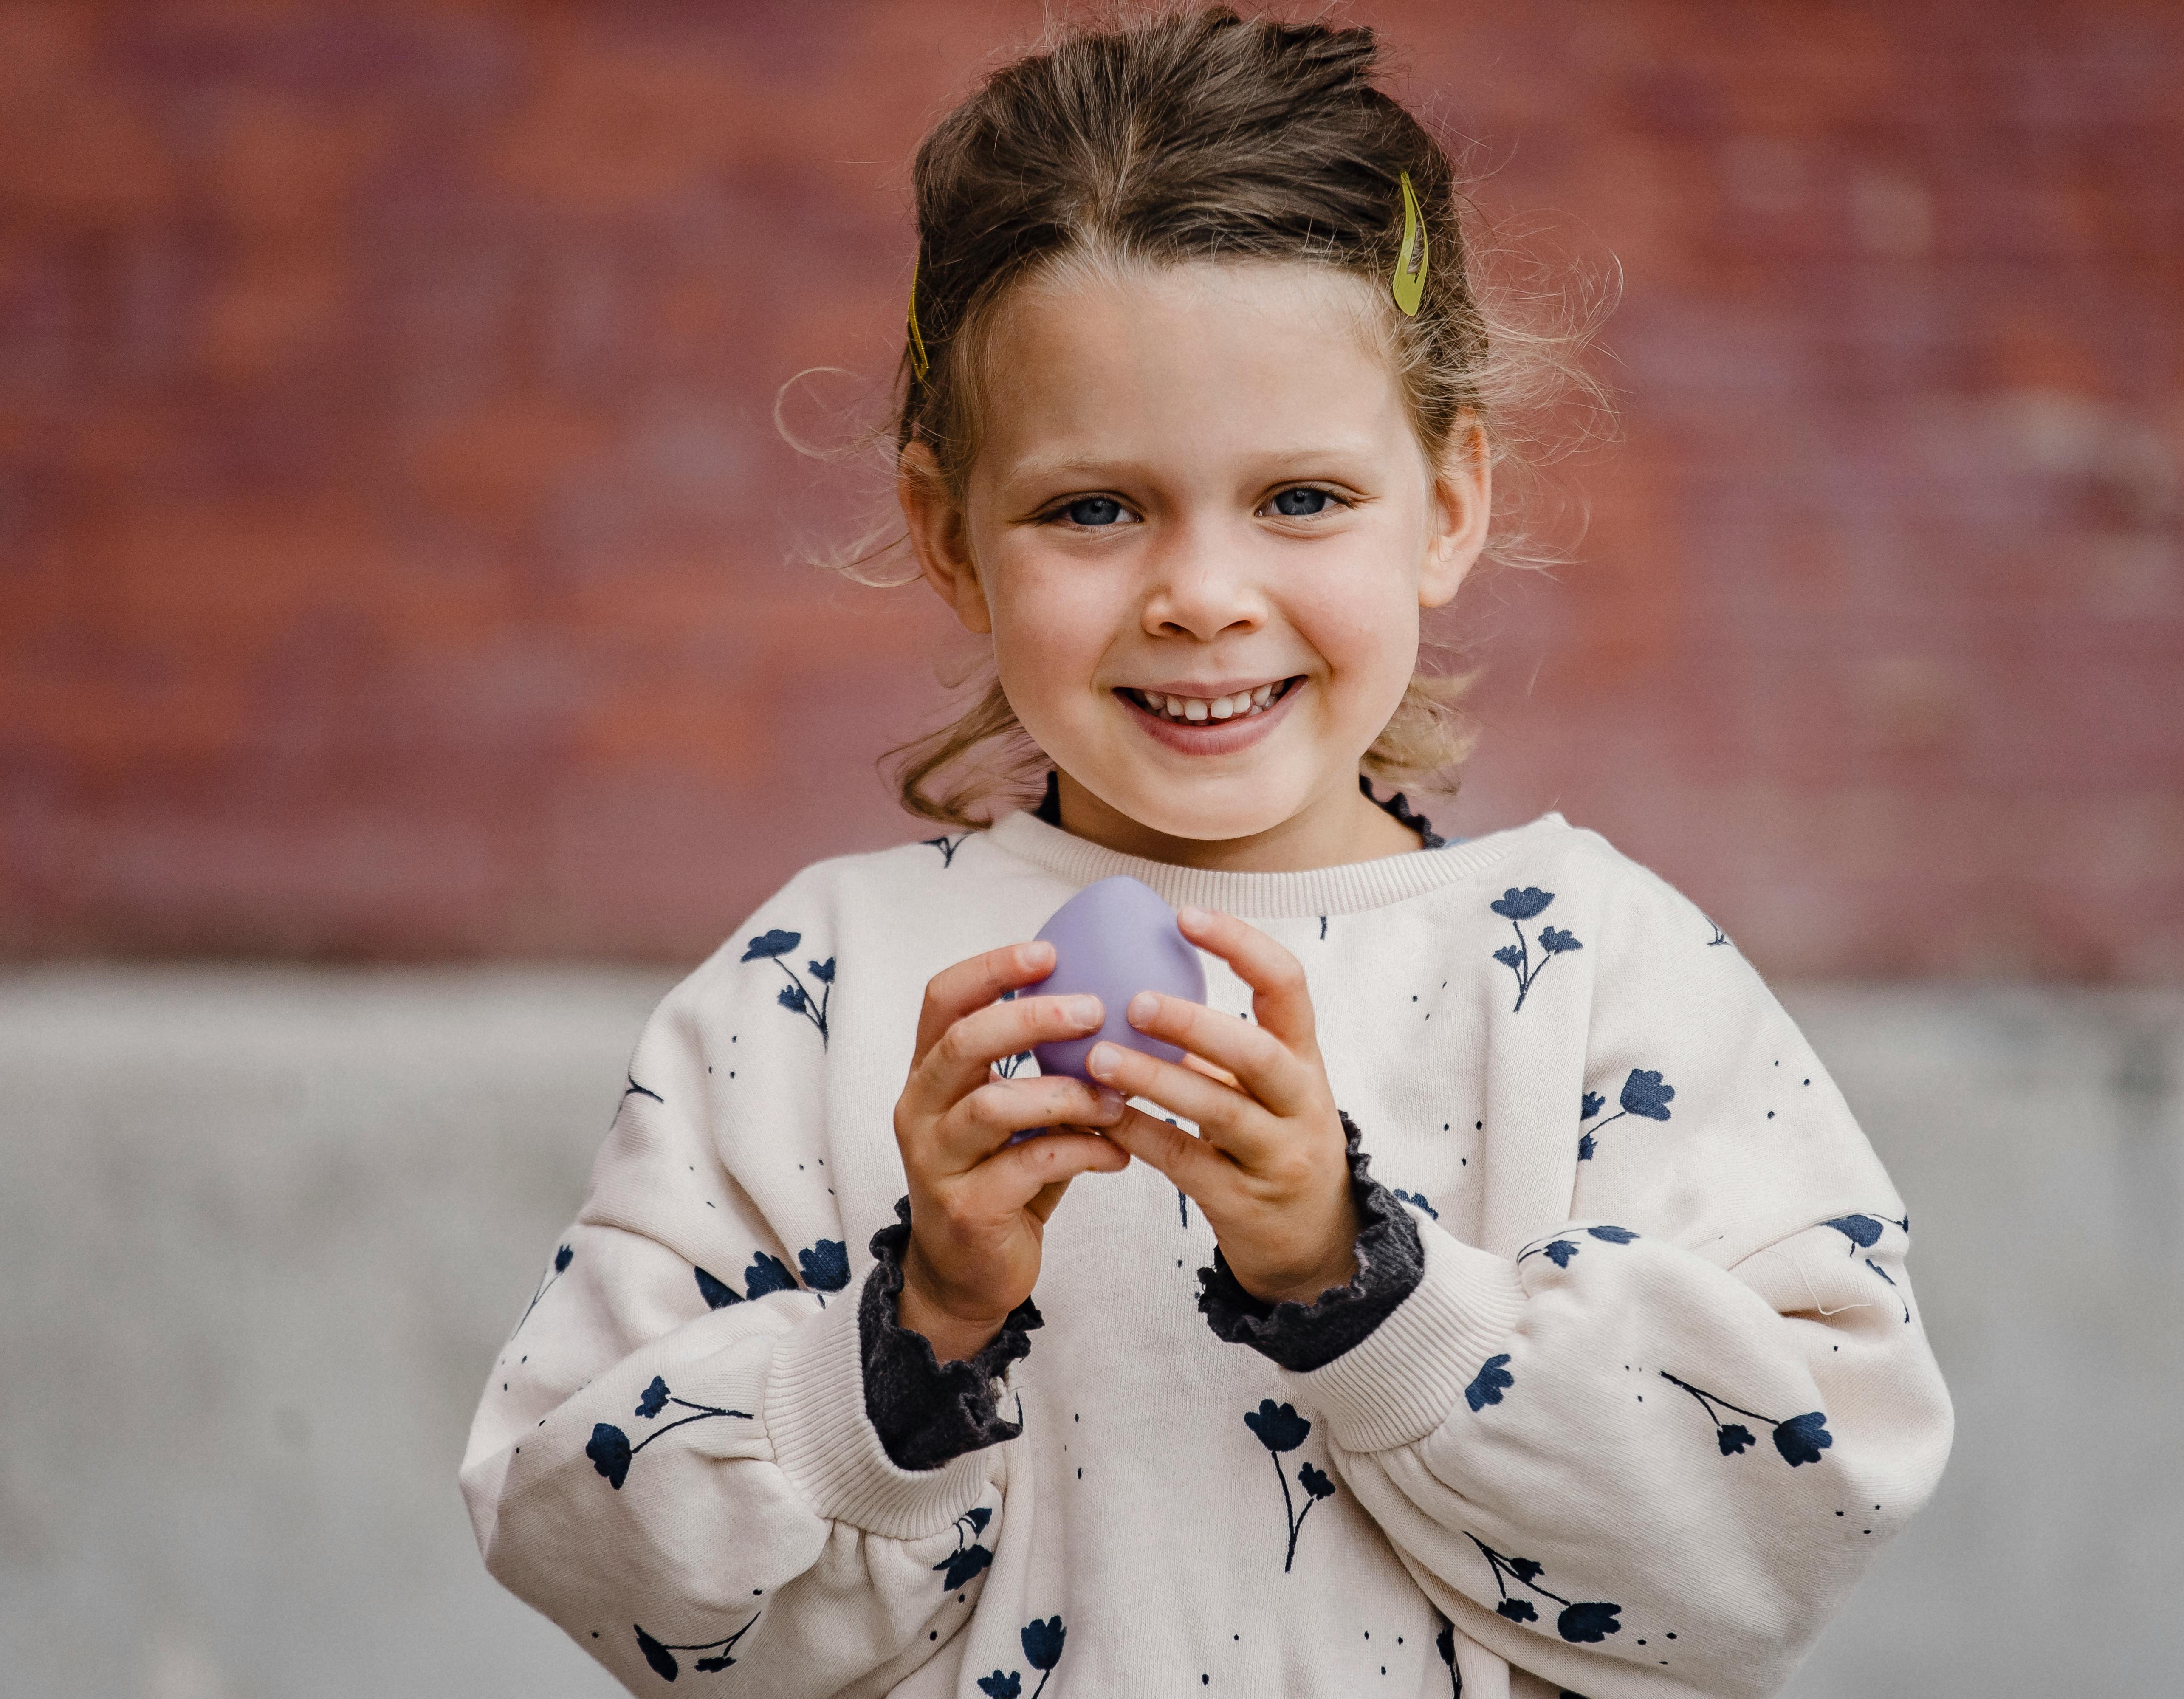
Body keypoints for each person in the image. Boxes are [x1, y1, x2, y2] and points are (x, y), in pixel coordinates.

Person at [460, 11, 1951, 1695]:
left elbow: (1793, 1521)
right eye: (1094, 508)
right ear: (950, 535)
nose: (1202, 593)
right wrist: (912, 1332)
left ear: (1451, 500)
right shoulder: (815, 994)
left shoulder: (1598, 973)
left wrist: (1357, 1279)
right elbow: (582, 1543)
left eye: (1302, 499)